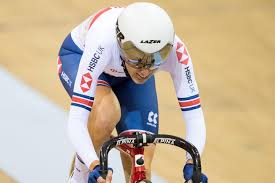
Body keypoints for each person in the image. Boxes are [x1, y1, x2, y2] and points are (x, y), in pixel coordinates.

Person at [57, 2, 208, 183]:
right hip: (79, 56)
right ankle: (78, 178)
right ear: (121, 43)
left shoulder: (175, 50)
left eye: (154, 60)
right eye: (137, 57)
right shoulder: (103, 40)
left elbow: (194, 116)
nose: (145, 71)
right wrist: (93, 164)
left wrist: (192, 162)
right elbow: (76, 119)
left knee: (141, 160)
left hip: (127, 75)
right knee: (106, 113)